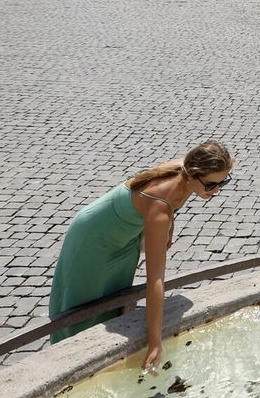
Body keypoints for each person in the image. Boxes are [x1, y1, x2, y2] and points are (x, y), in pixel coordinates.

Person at [49, 141, 234, 371]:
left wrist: (170, 226)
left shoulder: (185, 171)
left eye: (223, 182)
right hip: (94, 239)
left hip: (124, 238)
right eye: (211, 185)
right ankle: (66, 364)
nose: (216, 191)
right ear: (193, 174)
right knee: (82, 305)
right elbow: (155, 278)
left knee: (112, 300)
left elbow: (173, 201)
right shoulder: (160, 205)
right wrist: (155, 343)